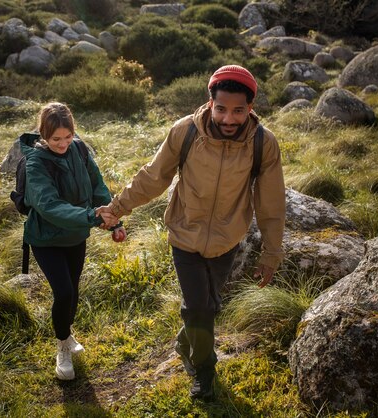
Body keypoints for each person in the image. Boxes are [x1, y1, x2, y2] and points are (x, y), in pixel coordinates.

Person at [97, 65, 285, 400]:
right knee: (197, 307)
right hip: (184, 236)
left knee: (208, 306)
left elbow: (270, 203)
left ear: (250, 109)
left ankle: (185, 344)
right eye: (222, 109)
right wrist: (117, 207)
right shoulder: (185, 132)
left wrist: (271, 252)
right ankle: (205, 371)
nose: (229, 119)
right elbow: (152, 178)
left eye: (238, 111)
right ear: (210, 103)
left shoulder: (262, 143)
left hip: (228, 240)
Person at [19, 102, 123, 381]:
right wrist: (92, 216)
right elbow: (49, 206)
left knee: (73, 290)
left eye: (68, 137)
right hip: (45, 238)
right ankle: (62, 346)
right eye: (56, 139)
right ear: (43, 135)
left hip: (75, 235)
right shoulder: (36, 162)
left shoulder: (79, 148)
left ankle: (66, 333)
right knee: (63, 292)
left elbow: (97, 184)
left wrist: (113, 218)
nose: (63, 144)